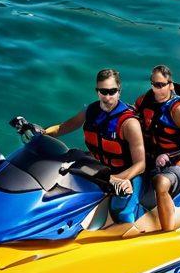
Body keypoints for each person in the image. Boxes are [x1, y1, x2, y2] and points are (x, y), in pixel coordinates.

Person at [43, 68, 145, 224]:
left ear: (119, 91)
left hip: (125, 175)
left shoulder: (129, 123)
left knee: (122, 214)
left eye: (112, 91)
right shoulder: (90, 111)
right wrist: (42, 133)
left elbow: (141, 164)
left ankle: (136, 228)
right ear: (97, 91)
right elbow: (63, 128)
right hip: (98, 170)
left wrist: (117, 179)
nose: (108, 97)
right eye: (103, 91)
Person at [135, 65, 180, 233]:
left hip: (179, 162)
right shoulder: (143, 102)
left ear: (171, 84)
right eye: (155, 84)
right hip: (150, 159)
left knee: (161, 183)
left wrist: (174, 162)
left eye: (162, 84)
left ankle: (167, 232)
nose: (159, 89)